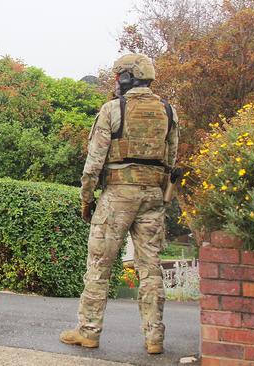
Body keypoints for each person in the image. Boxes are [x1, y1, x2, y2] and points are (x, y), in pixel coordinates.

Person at [59, 53, 179, 355]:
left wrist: (86, 200)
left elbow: (93, 164)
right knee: (150, 269)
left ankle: (88, 332)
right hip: (152, 196)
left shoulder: (113, 109)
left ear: (125, 78)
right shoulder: (168, 111)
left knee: (99, 266)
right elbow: (171, 159)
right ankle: (154, 338)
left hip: (117, 197)